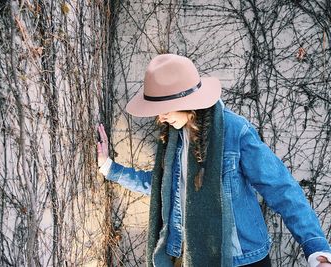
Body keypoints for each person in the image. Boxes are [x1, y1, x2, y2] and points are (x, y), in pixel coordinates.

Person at [97, 54, 331, 267]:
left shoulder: (234, 130)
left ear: (187, 101)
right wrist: (110, 168)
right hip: (188, 256)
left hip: (240, 258)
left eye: (165, 107)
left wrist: (315, 247)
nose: (161, 116)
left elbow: (280, 188)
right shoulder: (173, 138)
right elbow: (161, 185)